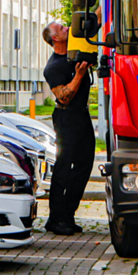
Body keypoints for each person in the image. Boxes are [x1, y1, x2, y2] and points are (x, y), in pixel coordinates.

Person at [42, 19, 95, 236]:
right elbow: (63, 97)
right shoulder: (53, 67)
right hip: (66, 119)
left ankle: (68, 214)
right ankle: (55, 219)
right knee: (64, 167)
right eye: (62, 28)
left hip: (82, 116)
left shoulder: (74, 54)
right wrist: (79, 76)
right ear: (55, 38)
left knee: (84, 165)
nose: (67, 28)